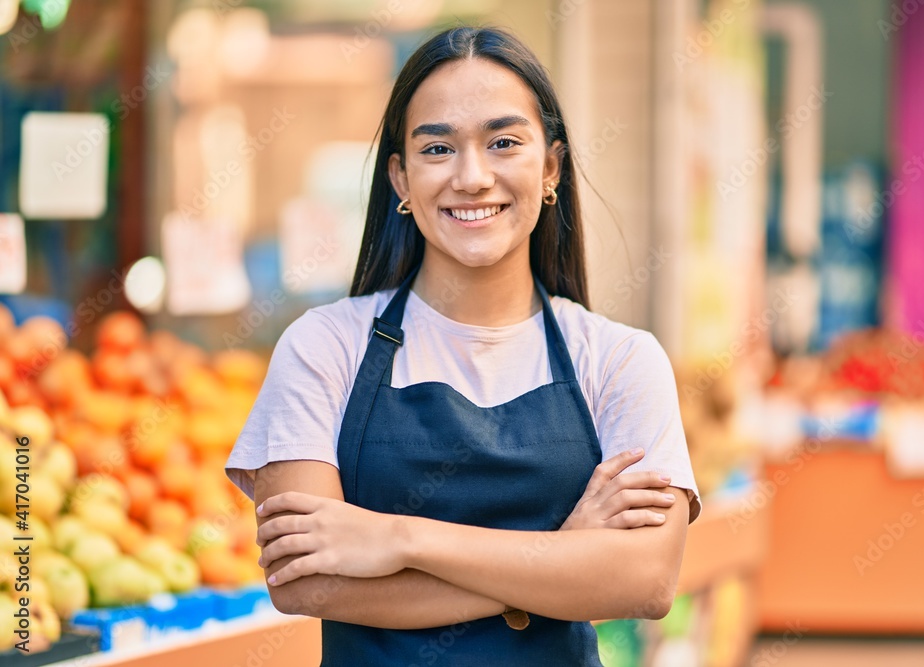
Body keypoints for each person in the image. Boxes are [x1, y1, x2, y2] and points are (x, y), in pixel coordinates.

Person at [225, 25, 700, 666]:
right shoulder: (324, 347)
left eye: (504, 142)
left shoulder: (618, 360)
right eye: (438, 148)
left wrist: (397, 539)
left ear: (551, 166)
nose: (472, 177)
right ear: (400, 178)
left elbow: (644, 582)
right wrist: (557, 559)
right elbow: (305, 579)